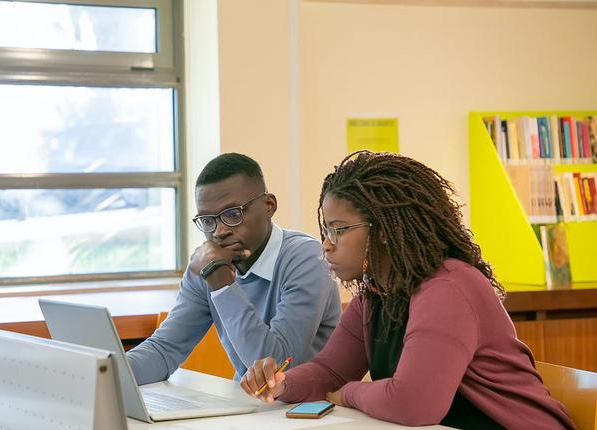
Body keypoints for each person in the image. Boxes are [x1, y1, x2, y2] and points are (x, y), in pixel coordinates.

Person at [240, 151, 575, 429]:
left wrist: (349, 393)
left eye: (339, 230)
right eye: (326, 230)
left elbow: (414, 403)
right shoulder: (377, 294)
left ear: (383, 230)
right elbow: (330, 371)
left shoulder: (448, 287)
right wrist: (283, 384)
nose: (326, 246)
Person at [127, 153, 342, 385]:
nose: (219, 232)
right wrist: (105, 374)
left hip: (311, 411)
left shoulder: (306, 258)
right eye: (208, 220)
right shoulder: (208, 264)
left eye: (232, 214)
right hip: (251, 409)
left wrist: (222, 285)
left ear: (269, 206)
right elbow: (164, 350)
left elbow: (276, 369)